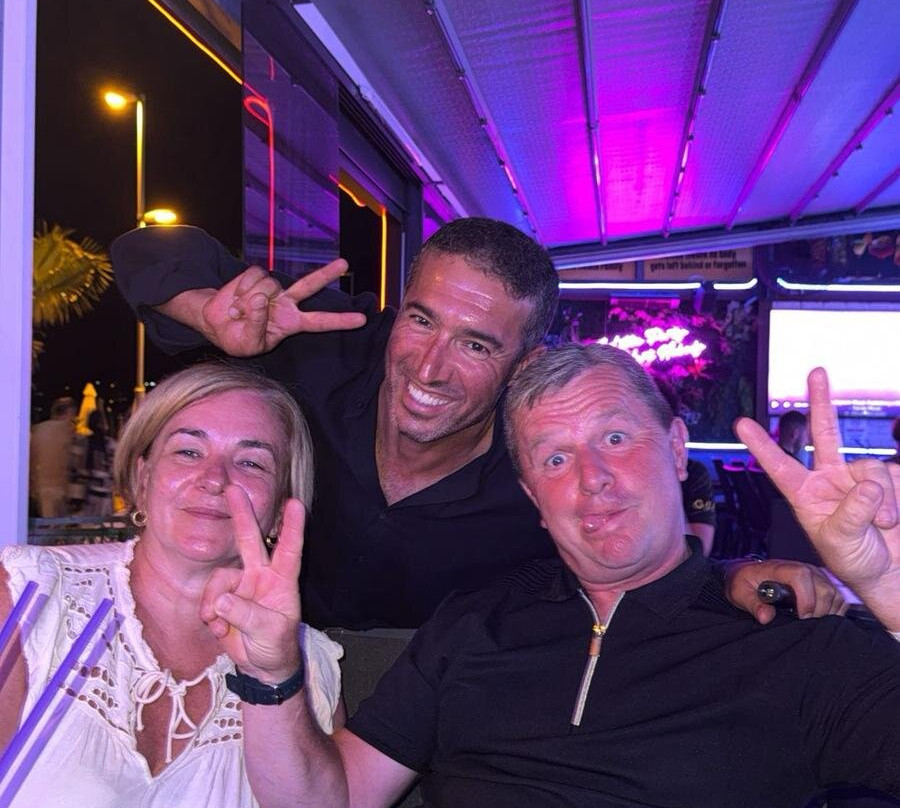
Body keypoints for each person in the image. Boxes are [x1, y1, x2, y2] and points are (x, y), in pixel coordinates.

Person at [223, 346, 898, 808]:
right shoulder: (471, 625)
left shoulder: (790, 642)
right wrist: (270, 674)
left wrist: (891, 591)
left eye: (615, 438)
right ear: (532, 498)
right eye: (554, 459)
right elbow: (331, 799)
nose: (592, 479)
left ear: (675, 449)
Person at [112, 220, 838, 629]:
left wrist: (732, 579)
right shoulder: (325, 344)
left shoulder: (537, 470)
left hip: (419, 720)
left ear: (525, 361)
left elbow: (628, 558)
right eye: (422, 321)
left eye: (477, 346)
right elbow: (145, 253)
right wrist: (205, 311)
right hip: (247, 656)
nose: (429, 368)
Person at [0, 364, 342, 807]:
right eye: (188, 451)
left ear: (280, 510)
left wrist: (272, 677)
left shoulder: (308, 667)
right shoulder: (28, 596)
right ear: (143, 479)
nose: (215, 479)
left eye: (251, 463)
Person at [28, 396, 77, 517]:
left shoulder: (38, 430)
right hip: (63, 490)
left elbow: (31, 460)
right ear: (68, 412)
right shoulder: (68, 431)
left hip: (42, 490)